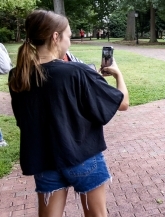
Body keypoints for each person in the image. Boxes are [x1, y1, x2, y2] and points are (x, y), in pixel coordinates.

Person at [8, 9, 129, 217]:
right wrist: (118, 74)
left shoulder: (18, 76)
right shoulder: (76, 71)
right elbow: (122, 102)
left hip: (44, 160)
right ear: (56, 36)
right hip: (83, 157)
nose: (69, 43)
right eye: (69, 36)